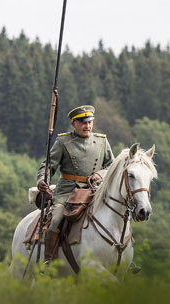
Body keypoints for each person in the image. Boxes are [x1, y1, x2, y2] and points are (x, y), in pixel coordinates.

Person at [36, 105, 114, 263]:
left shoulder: (102, 141)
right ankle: (49, 260)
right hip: (68, 192)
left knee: (117, 212)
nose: (87, 126)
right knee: (56, 219)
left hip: (94, 191)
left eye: (90, 122)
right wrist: (42, 180)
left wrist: (99, 174)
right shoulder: (63, 141)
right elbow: (48, 166)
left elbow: (111, 166)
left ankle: (124, 252)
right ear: (73, 124)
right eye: (83, 122)